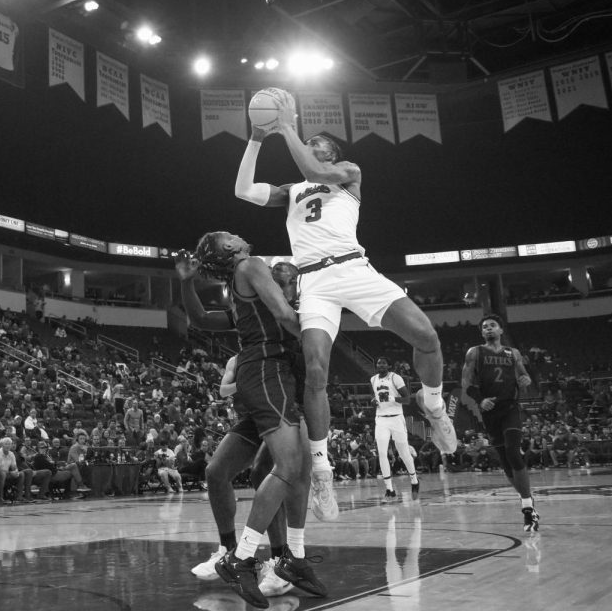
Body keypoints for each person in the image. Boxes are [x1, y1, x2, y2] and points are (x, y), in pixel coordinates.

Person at [234, 106, 457, 518]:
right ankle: (322, 471)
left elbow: (317, 173)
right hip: (314, 281)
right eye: (306, 141)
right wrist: (256, 139)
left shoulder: (348, 173)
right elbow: (243, 190)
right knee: (316, 370)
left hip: (353, 268)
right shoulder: (292, 190)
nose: (308, 145)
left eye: (315, 142)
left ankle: (436, 406)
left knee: (427, 336)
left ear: (331, 153)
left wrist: (285, 128)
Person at [187, 232, 327, 609]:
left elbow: (206, 316)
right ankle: (242, 555)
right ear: (228, 250)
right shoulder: (251, 268)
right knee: (290, 467)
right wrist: (320, 344)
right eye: (227, 236)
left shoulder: (246, 284)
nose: (237, 233)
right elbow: (284, 316)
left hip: (269, 374)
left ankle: (285, 557)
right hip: (268, 370)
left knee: (263, 468)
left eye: (286, 273)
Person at [461, 314, 538, 531]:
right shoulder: (475, 352)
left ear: (501, 330)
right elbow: (465, 381)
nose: (488, 329)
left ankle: (527, 509)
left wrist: (526, 380)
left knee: (513, 452)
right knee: (505, 462)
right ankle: (529, 500)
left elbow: (524, 376)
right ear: (481, 332)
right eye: (484, 327)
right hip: (489, 410)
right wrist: (480, 400)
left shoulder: (513, 353)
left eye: (492, 326)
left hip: (510, 407)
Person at [370, 357, 420, 501]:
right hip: (381, 419)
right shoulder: (373, 379)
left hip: (397, 418)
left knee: (404, 453)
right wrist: (373, 401)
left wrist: (393, 399)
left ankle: (415, 481)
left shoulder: (395, 378)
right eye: (379, 363)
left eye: (384, 363)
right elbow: (374, 398)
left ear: (389, 365)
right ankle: (389, 489)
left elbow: (407, 399)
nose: (381, 365)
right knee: (382, 453)